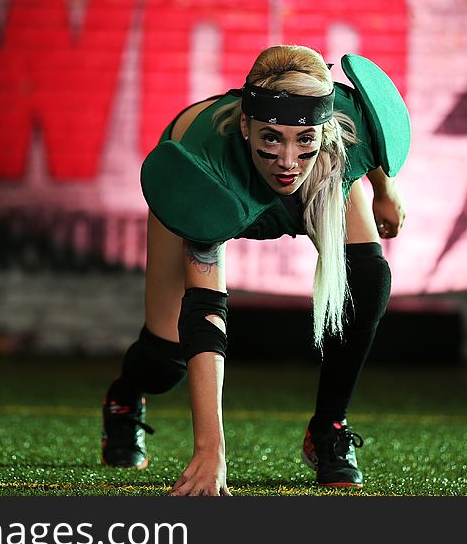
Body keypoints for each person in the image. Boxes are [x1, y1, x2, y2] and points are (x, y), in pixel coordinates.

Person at [101, 45, 409, 495]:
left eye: (303, 139)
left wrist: (385, 190)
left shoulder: (338, 130)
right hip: (200, 179)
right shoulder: (206, 168)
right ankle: (125, 399)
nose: (287, 161)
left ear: (323, 129)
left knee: (368, 278)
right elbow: (206, 312)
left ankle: (328, 429)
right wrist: (211, 450)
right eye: (271, 138)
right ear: (246, 125)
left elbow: (370, 135)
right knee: (165, 361)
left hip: (322, 174)